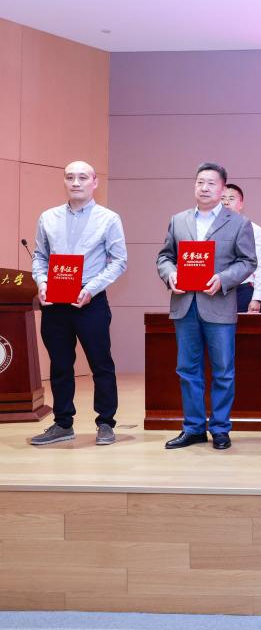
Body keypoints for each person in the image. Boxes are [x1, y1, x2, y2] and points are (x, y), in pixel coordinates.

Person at [156, 162, 257, 451]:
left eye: (211, 183)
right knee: (187, 370)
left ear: (222, 189)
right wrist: (170, 274)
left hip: (219, 305)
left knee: (223, 370)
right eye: (200, 182)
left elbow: (248, 262)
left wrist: (223, 279)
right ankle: (193, 428)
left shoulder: (238, 223)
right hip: (185, 305)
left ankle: (221, 428)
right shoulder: (178, 220)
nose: (204, 187)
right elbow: (165, 257)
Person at [29, 161, 127, 446]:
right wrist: (42, 283)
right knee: (60, 365)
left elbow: (119, 261)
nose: (75, 182)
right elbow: (40, 257)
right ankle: (63, 423)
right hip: (55, 300)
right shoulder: (48, 217)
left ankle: (106, 422)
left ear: (94, 182)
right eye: (70, 177)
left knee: (101, 364)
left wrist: (91, 289)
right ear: (64, 181)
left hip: (90, 300)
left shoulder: (108, 219)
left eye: (82, 177)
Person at [220, 184, 261, 313]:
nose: (226, 202)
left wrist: (257, 298)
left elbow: (260, 265)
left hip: (243, 291)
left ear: (241, 204)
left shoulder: (254, 229)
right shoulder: (210, 229)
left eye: (231, 198)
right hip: (216, 291)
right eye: (222, 198)